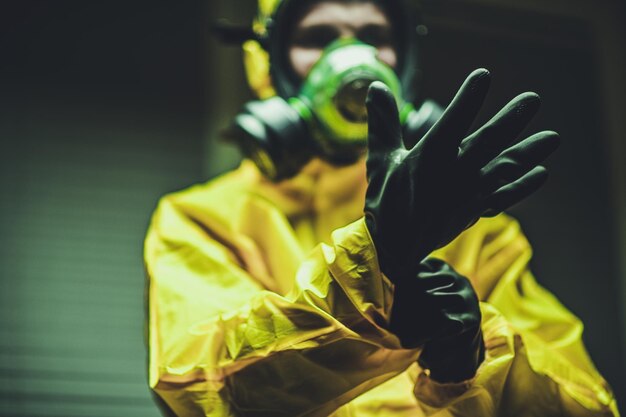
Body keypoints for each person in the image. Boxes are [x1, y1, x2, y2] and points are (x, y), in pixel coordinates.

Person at [144, 0, 620, 415]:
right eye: (318, 37)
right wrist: (373, 265)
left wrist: (469, 362)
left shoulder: (478, 229)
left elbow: (582, 404)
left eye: (375, 37)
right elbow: (201, 390)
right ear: (269, 63)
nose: (354, 59)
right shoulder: (201, 220)